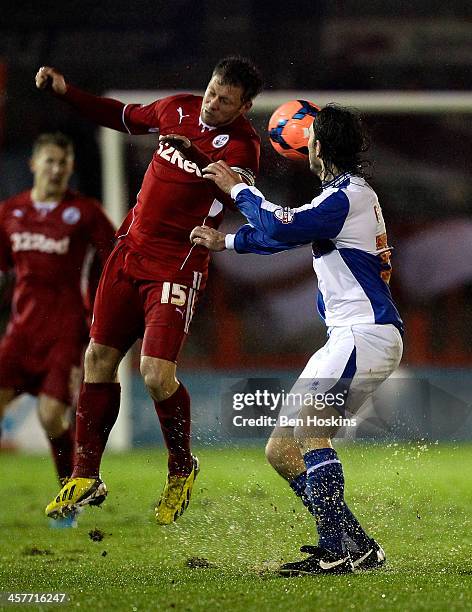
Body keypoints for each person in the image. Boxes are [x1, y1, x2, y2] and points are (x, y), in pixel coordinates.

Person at [35, 57, 263, 524]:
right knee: (97, 358)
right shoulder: (176, 108)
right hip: (128, 253)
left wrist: (199, 158)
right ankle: (86, 474)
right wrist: (66, 91)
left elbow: (236, 194)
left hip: (176, 265)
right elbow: (119, 115)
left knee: (156, 375)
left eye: (225, 101)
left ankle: (181, 469)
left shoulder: (244, 146)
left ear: (246, 107)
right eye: (212, 91)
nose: (212, 103)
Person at [191, 104, 403, 574]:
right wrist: (225, 243)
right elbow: (280, 234)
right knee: (282, 451)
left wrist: (239, 189)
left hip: (364, 332)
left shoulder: (347, 196)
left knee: (311, 431)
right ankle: (357, 545)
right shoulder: (342, 198)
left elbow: (281, 224)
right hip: (348, 337)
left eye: (310, 140)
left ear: (319, 146)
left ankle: (335, 550)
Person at [0, 132, 115, 526]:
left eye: (63, 163)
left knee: (52, 417)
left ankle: (70, 494)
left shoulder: (84, 212)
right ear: (34, 164)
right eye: (49, 161)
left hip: (66, 332)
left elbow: (115, 255)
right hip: (20, 332)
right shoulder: (10, 212)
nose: (56, 169)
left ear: (70, 168)